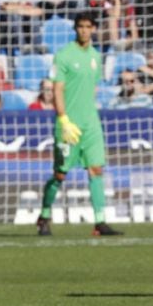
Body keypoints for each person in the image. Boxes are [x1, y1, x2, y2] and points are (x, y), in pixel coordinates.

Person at [36, 13, 123, 237]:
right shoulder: (64, 55)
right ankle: (44, 216)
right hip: (68, 125)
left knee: (96, 169)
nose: (84, 30)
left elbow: (91, 89)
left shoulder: (96, 56)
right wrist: (63, 119)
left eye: (88, 27)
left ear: (93, 29)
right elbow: (57, 90)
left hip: (91, 123)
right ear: (75, 29)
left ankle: (100, 222)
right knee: (60, 175)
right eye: (80, 27)